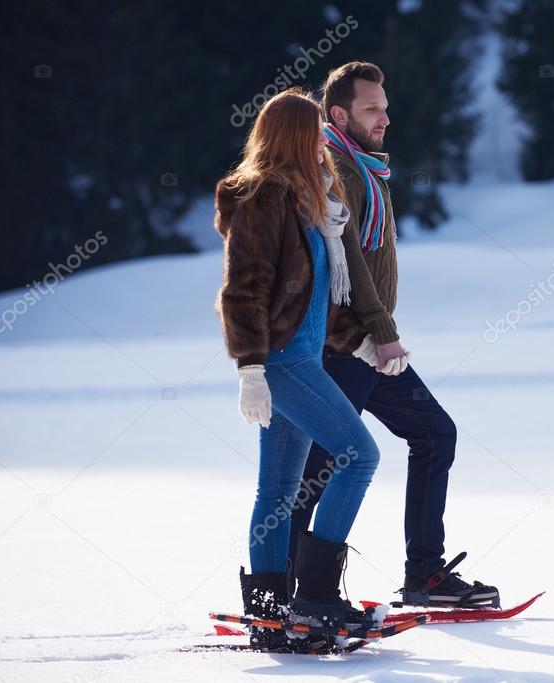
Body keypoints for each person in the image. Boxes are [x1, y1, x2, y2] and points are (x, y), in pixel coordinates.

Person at [287, 62, 499, 607]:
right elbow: (350, 258)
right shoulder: (340, 170)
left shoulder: (364, 168)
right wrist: (382, 332)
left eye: (385, 106)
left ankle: (423, 575)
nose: (385, 117)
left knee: (431, 436)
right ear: (338, 114)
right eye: (371, 109)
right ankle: (286, 593)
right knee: (316, 470)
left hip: (366, 341)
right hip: (346, 343)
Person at [214, 88, 380, 650]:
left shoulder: (311, 202)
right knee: (359, 456)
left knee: (279, 488)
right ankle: (315, 597)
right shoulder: (263, 198)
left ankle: (270, 613)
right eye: (313, 133)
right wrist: (250, 368)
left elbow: (309, 297)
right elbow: (244, 291)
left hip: (302, 354)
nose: (323, 144)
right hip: (281, 361)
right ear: (291, 137)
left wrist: (354, 341)